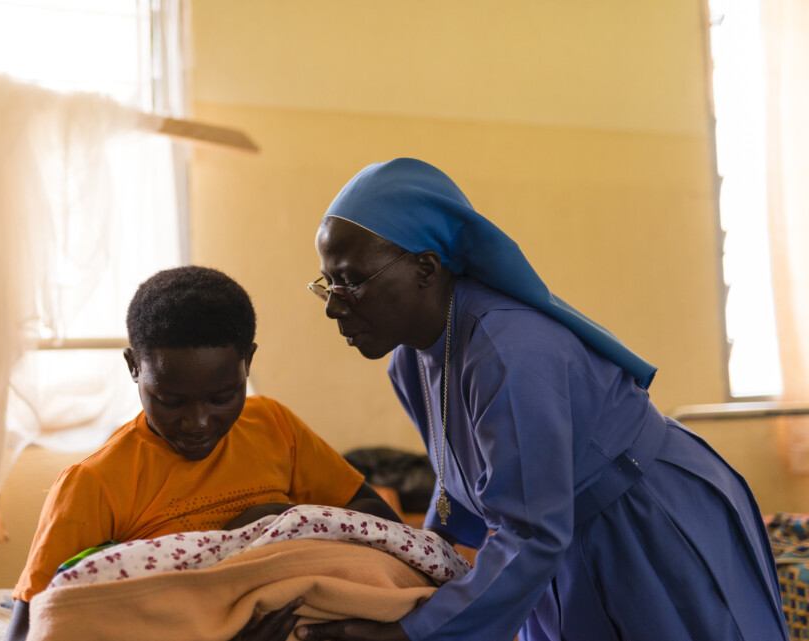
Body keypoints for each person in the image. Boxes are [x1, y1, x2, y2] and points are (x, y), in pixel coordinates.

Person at [294, 158, 788, 641]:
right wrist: (400, 575)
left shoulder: (508, 352)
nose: (335, 306)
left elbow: (530, 532)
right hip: (560, 540)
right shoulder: (411, 363)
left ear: (426, 267)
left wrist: (416, 631)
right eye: (327, 283)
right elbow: (460, 500)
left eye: (351, 280)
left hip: (645, 522)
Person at [4, 266, 399, 641]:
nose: (198, 423)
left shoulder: (273, 426)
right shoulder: (93, 484)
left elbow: (377, 519)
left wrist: (281, 523)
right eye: (171, 400)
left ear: (248, 362)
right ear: (133, 367)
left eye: (222, 397)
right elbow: (34, 628)